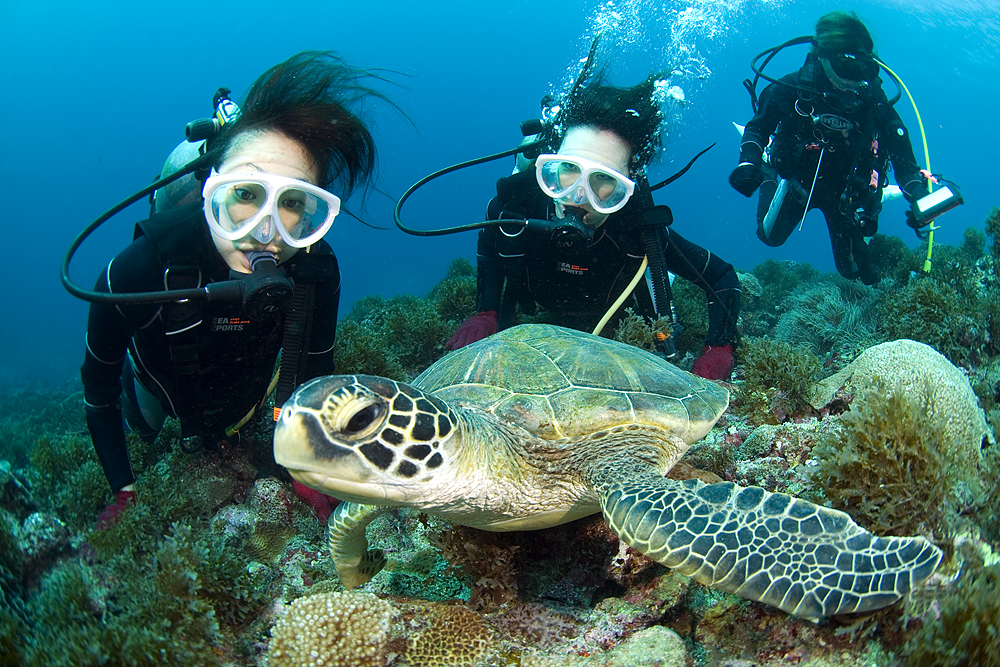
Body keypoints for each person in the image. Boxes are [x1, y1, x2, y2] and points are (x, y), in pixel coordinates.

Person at [81, 51, 386, 528]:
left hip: (245, 402)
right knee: (143, 427)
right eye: (246, 194)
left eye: (292, 202)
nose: (265, 232)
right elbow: (97, 389)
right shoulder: (139, 269)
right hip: (159, 390)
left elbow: (315, 370)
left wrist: (305, 465)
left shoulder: (315, 270)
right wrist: (124, 490)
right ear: (212, 186)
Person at [446, 70, 741, 380]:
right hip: (541, 308)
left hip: (611, 319)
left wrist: (719, 346)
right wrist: (486, 312)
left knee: (656, 279)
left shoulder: (640, 233)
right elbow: (490, 249)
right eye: (568, 168)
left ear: (625, 187)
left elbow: (721, 275)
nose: (578, 195)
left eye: (602, 179)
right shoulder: (513, 212)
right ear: (550, 165)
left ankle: (660, 277)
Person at [729, 11, 926, 285]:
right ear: (822, 56)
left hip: (846, 193)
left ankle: (880, 198)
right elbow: (758, 127)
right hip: (799, 183)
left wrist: (918, 195)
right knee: (769, 237)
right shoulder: (792, 87)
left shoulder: (874, 103)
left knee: (854, 271)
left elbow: (903, 156)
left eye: (862, 70)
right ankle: (768, 169)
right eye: (845, 68)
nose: (853, 80)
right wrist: (749, 161)